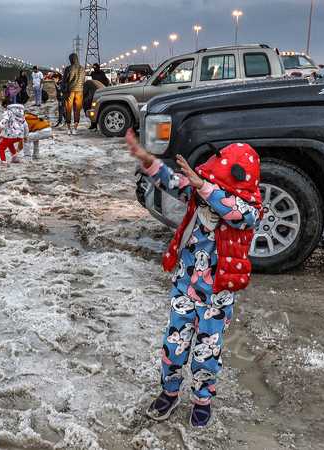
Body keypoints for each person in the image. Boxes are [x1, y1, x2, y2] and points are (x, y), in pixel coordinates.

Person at [126, 129, 262, 428]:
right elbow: (172, 181)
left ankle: (202, 400)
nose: (205, 185)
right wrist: (147, 159)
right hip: (186, 288)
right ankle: (169, 392)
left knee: (206, 352)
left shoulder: (249, 209)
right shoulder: (198, 193)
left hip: (218, 296)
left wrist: (205, 187)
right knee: (173, 346)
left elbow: (237, 214)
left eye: (215, 181)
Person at [63, 53, 85, 135]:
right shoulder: (82, 69)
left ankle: (69, 129)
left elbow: (64, 80)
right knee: (77, 110)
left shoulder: (68, 68)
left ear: (71, 59)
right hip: (79, 91)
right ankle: (75, 128)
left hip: (70, 91)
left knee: (68, 109)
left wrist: (63, 91)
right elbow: (83, 80)